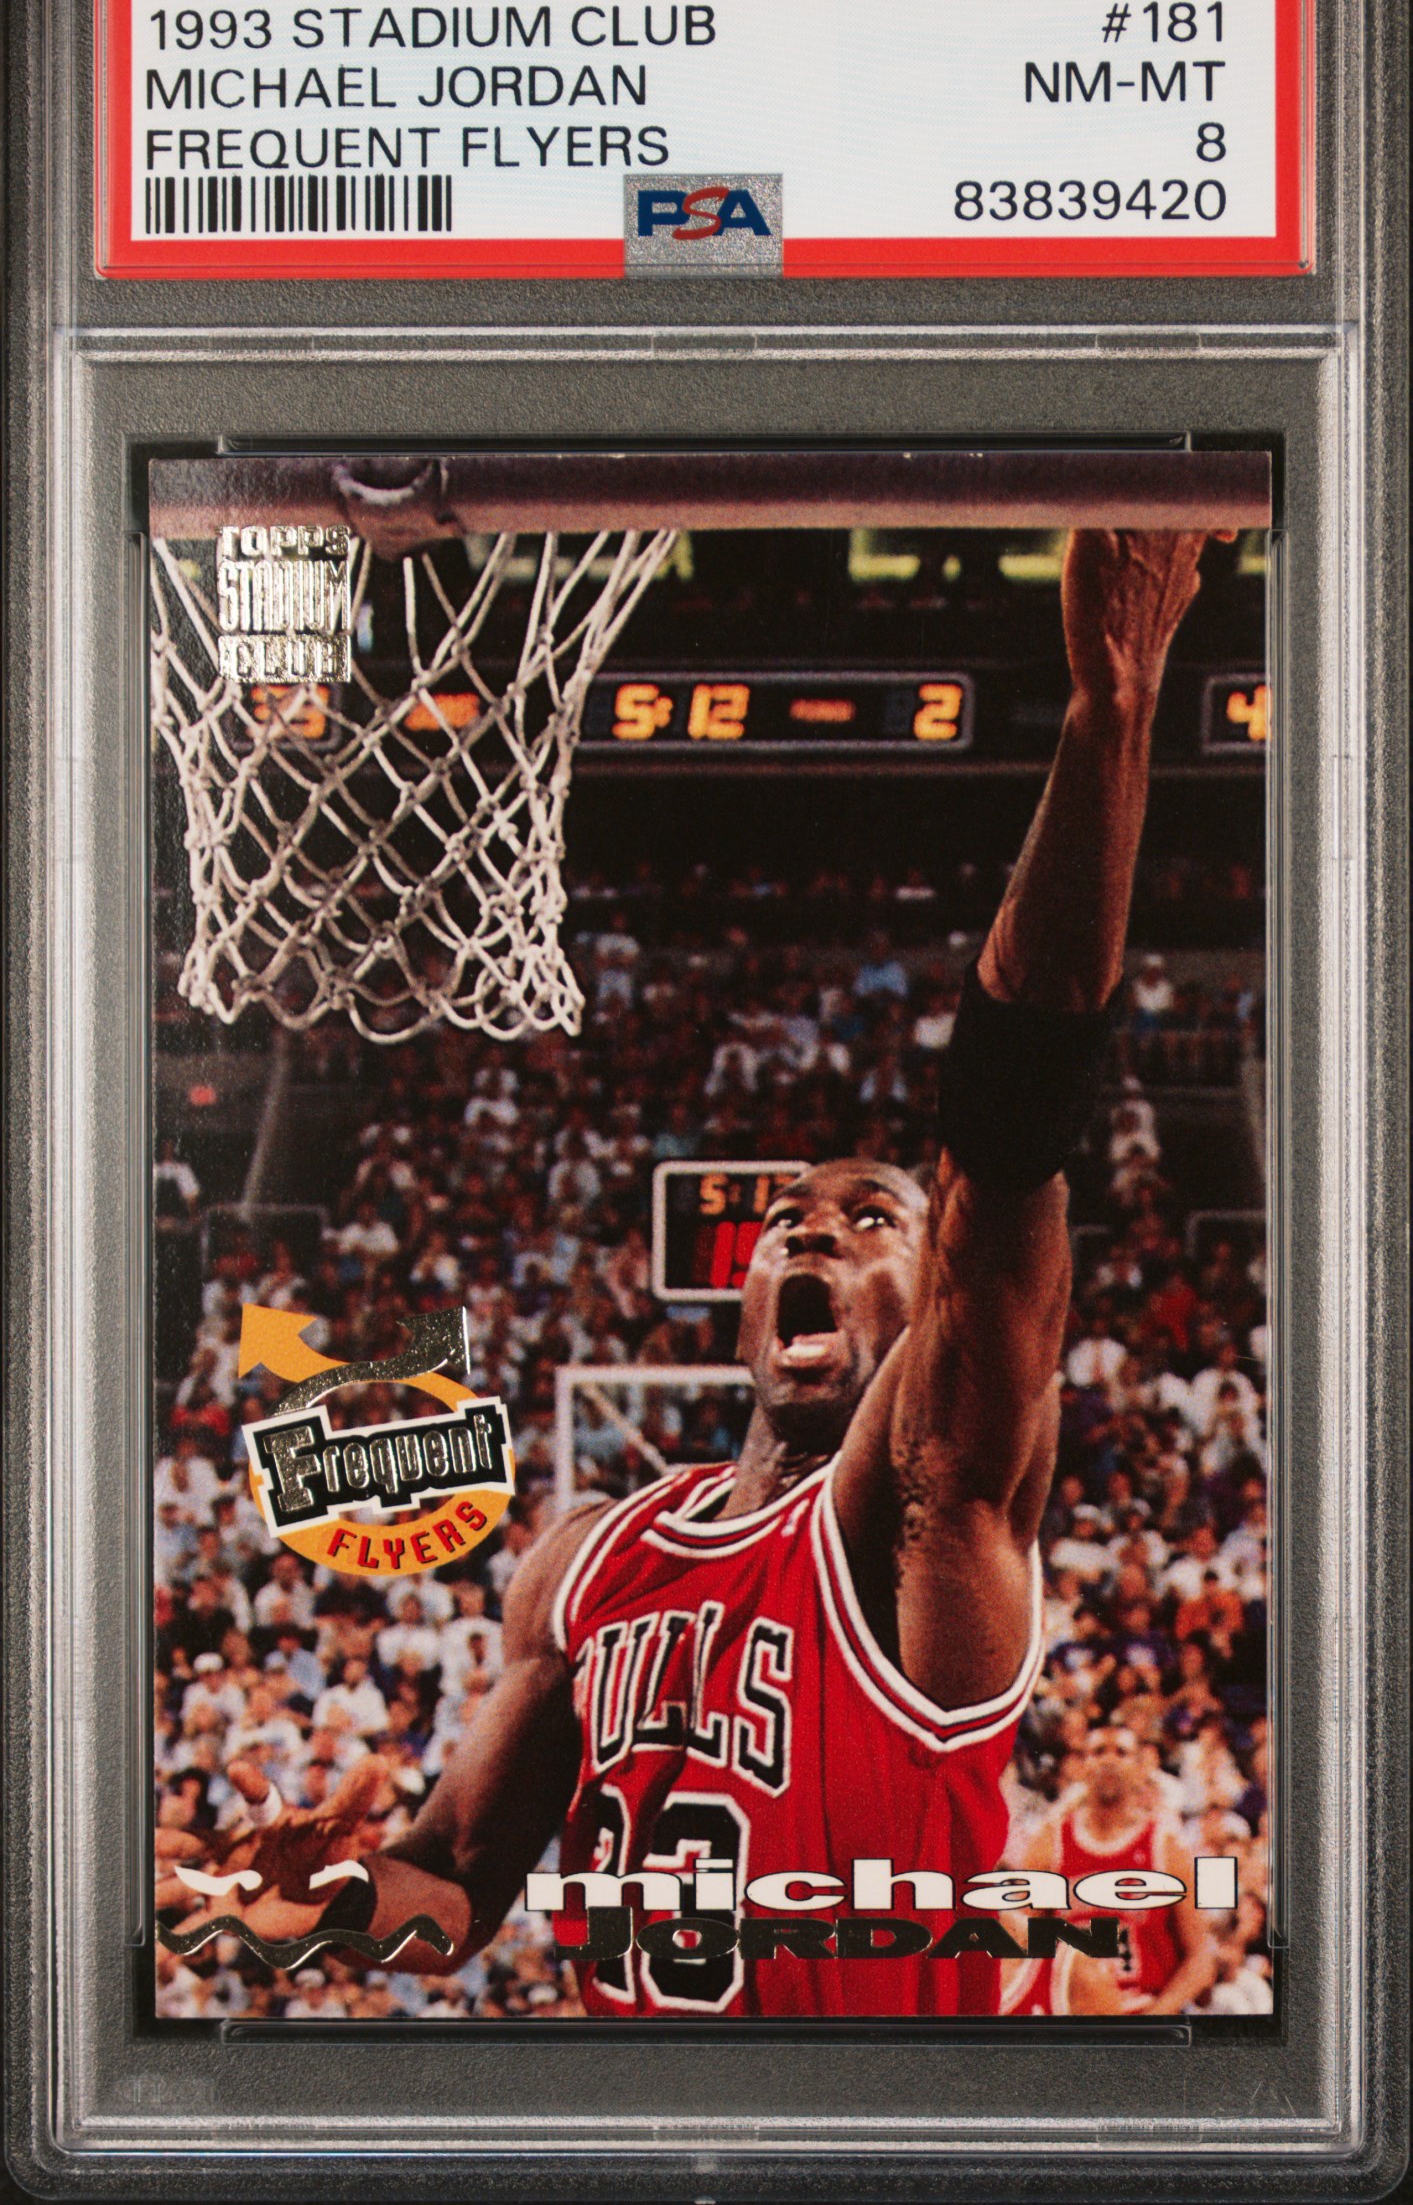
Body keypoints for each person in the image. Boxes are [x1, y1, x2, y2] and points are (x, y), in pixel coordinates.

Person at [195, 530, 1227, 2018]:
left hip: (870, 2123)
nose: (811, 1233)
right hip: (644, 2112)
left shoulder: (921, 1512)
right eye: (788, 1220)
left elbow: (1009, 1134)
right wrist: (293, 1910)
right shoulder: (584, 1559)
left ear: (929, 1289)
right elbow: (455, 1885)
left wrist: (1109, 712)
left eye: (869, 1219)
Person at [1005, 1724, 1215, 2016]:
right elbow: (1021, 1947)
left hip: (1145, 2011)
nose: (1109, 1760)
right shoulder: (1050, 1843)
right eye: (1098, 1751)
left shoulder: (1166, 1848)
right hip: (1074, 2019)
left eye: (1121, 1752)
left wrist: (1155, 2020)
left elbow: (1200, 1958)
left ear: (1140, 1769)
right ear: (1082, 1767)